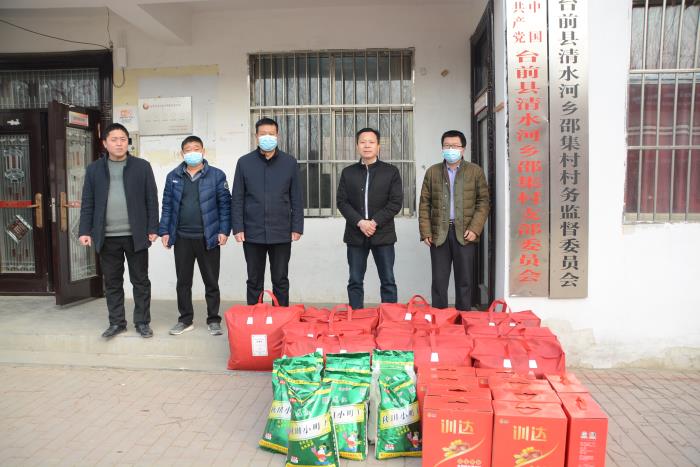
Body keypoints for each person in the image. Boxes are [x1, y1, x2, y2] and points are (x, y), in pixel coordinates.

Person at [78, 123, 159, 338]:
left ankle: (142, 322)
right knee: (113, 282)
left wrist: (153, 227)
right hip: (107, 236)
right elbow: (88, 202)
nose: (119, 143)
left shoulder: (142, 167)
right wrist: (84, 230)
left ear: (127, 142)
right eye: (114, 139)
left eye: (123, 139)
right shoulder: (94, 169)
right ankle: (117, 322)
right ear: (105, 143)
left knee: (140, 281)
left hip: (136, 235)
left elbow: (151, 199)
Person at [158, 136, 231, 336]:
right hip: (182, 237)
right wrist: (164, 231)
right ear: (182, 154)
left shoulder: (217, 175)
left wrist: (224, 231)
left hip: (209, 237)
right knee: (183, 282)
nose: (192, 153)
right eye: (188, 150)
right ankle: (185, 319)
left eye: (196, 149)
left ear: (203, 151)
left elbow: (225, 205)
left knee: (211, 281)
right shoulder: (173, 176)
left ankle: (213, 319)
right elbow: (167, 206)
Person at [231, 117, 303, 306]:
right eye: (263, 134)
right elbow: (237, 197)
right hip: (252, 232)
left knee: (280, 279)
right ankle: (255, 317)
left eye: (271, 134)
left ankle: (280, 317)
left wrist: (297, 226)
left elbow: (296, 197)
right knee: (254, 280)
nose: (267, 137)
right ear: (256, 136)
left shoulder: (289, 163)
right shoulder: (244, 163)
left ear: (277, 135)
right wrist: (238, 227)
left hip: (281, 231)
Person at [419, 130, 490, 311]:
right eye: (447, 146)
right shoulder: (433, 172)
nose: (450, 149)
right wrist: (426, 232)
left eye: (455, 146)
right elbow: (424, 204)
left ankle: (462, 318)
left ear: (463, 149)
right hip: (439, 233)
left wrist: (475, 228)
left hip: (465, 233)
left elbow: (483, 202)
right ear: (442, 148)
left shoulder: (475, 171)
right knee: (439, 281)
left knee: (464, 280)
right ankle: (440, 318)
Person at [336, 128, 403, 310]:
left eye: (371, 142)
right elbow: (342, 202)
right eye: (363, 142)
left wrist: (373, 222)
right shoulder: (348, 172)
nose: (367, 145)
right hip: (355, 234)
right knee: (355, 280)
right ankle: (357, 317)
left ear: (378, 146)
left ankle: (389, 318)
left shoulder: (391, 172)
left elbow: (395, 202)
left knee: (388, 280)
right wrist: (360, 222)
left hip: (383, 234)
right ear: (357, 146)